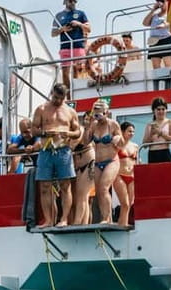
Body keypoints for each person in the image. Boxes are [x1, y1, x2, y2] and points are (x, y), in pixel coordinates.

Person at [31, 83, 81, 228]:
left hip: (63, 150)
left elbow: (77, 131)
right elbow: (34, 130)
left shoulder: (70, 112)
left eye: (60, 98)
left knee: (65, 185)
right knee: (44, 186)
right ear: (52, 93)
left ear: (65, 97)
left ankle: (64, 219)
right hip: (46, 149)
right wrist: (46, 133)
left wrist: (68, 134)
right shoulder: (41, 109)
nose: (57, 101)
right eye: (55, 97)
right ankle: (48, 220)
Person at [86, 99, 123, 224]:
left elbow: (121, 142)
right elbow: (86, 141)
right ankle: (105, 217)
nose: (98, 118)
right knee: (98, 191)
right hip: (97, 162)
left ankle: (107, 218)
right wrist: (88, 126)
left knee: (103, 188)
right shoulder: (94, 124)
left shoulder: (113, 124)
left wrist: (116, 138)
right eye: (95, 114)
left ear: (106, 112)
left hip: (111, 160)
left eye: (100, 114)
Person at [52, 0, 91, 91]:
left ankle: (79, 93)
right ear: (65, 1)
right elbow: (52, 33)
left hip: (78, 46)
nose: (73, 3)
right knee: (65, 74)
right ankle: (69, 96)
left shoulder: (81, 14)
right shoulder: (59, 15)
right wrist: (63, 29)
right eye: (70, 1)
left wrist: (78, 24)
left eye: (75, 1)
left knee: (78, 71)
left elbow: (89, 29)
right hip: (65, 47)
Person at [70, 111, 95, 225]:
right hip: (77, 166)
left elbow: (74, 145)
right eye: (85, 118)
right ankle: (83, 223)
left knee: (83, 196)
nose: (87, 121)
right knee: (80, 197)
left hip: (89, 163)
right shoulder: (79, 129)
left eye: (89, 119)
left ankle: (78, 223)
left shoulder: (92, 131)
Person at [114, 122, 139, 227]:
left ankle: (124, 223)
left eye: (133, 131)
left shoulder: (135, 146)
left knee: (130, 203)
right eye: (129, 131)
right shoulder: (118, 145)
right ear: (123, 132)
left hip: (132, 176)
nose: (131, 133)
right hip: (120, 174)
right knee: (125, 203)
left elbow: (138, 161)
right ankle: (122, 224)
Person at [142, 0, 171, 69]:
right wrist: (153, 10)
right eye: (158, 1)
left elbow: (169, 23)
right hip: (154, 41)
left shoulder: (170, 14)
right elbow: (145, 23)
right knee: (156, 66)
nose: (160, 3)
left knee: (168, 64)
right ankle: (158, 80)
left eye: (162, 1)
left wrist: (163, 25)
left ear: (168, 2)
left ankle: (169, 80)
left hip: (166, 40)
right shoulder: (154, 15)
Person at [143, 97, 171, 163]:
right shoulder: (149, 124)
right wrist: (151, 134)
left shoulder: (170, 122)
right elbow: (144, 145)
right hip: (152, 154)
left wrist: (161, 133)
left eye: (163, 109)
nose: (161, 111)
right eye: (158, 109)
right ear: (154, 111)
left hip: (165, 152)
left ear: (166, 110)